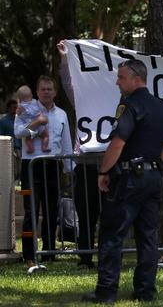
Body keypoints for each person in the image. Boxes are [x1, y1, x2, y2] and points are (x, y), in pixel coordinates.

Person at [83, 59, 163, 303]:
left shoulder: (130, 105)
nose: (117, 82)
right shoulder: (162, 107)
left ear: (137, 78)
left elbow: (117, 143)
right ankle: (145, 291)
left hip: (128, 180)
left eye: (121, 77)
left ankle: (106, 291)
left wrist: (104, 172)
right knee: (147, 237)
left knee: (112, 234)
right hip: (153, 178)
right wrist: (154, 161)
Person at [14, 75, 73, 269]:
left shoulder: (62, 114)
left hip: (53, 165)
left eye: (50, 89)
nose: (47, 92)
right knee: (32, 211)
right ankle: (29, 255)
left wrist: (69, 168)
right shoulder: (26, 109)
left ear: (55, 92)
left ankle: (49, 252)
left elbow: (65, 143)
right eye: (43, 89)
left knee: (52, 210)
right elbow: (18, 133)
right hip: (31, 165)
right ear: (37, 92)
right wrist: (37, 124)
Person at [57, 40, 102, 269]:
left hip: (108, 166)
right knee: (86, 215)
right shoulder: (82, 100)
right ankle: (85, 258)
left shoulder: (118, 101)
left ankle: (106, 255)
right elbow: (67, 83)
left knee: (109, 216)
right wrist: (65, 59)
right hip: (85, 166)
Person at [15, 85, 50, 154]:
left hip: (31, 127)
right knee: (45, 136)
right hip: (40, 126)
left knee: (28, 139)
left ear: (19, 98)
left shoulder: (20, 107)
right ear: (31, 95)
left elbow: (20, 115)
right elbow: (37, 111)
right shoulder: (34, 102)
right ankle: (44, 147)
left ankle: (31, 149)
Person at [0, 99, 22, 180]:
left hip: (20, 149)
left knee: (20, 171)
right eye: (14, 107)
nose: (16, 109)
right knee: (13, 172)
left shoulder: (20, 121)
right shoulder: (3, 121)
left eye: (17, 107)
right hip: (10, 149)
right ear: (9, 108)